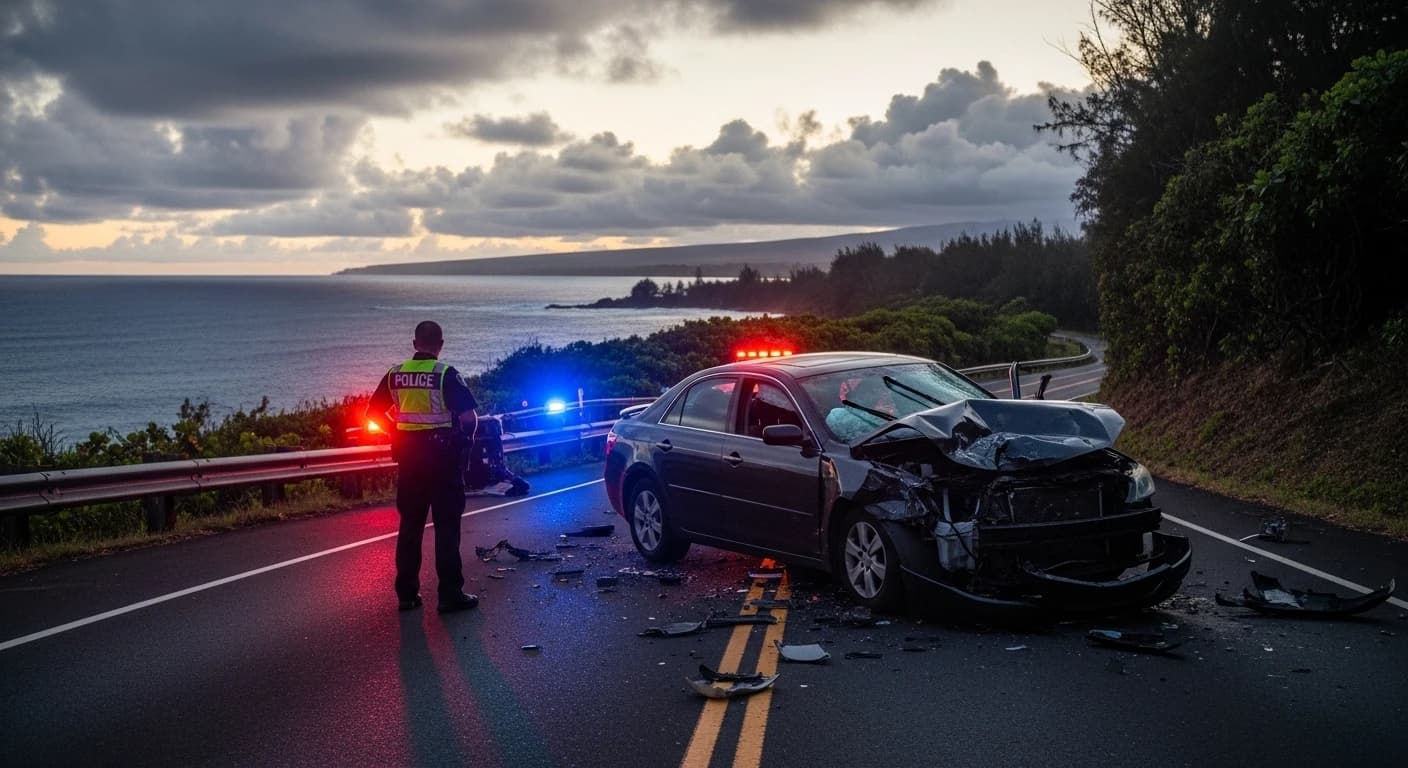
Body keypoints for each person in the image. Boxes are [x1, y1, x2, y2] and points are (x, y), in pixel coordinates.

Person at [368, 320, 480, 614]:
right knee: (446, 527)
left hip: (409, 460)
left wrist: (395, 431)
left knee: (410, 527)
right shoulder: (446, 375)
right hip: (443, 462)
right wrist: (464, 442)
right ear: (440, 345)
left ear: (415, 343)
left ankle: (407, 595)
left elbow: (373, 412)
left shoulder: (396, 374)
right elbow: (468, 419)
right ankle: (450, 595)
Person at [824, 376, 896, 443]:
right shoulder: (837, 416)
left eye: (877, 391)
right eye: (873, 391)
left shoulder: (883, 414)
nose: (878, 395)